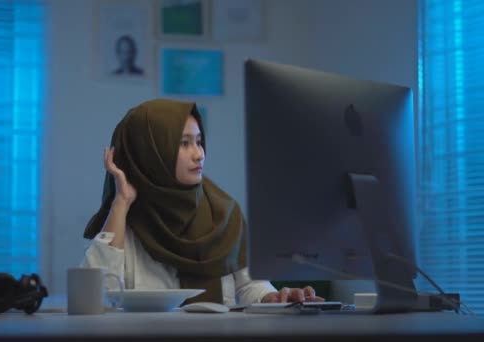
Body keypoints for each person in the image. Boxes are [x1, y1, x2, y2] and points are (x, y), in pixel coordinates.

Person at [81, 99, 324, 306]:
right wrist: (121, 203)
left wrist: (274, 297)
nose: (199, 154)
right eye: (184, 143)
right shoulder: (128, 223)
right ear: (151, 152)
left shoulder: (224, 213)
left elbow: (250, 287)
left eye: (199, 141)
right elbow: (94, 297)